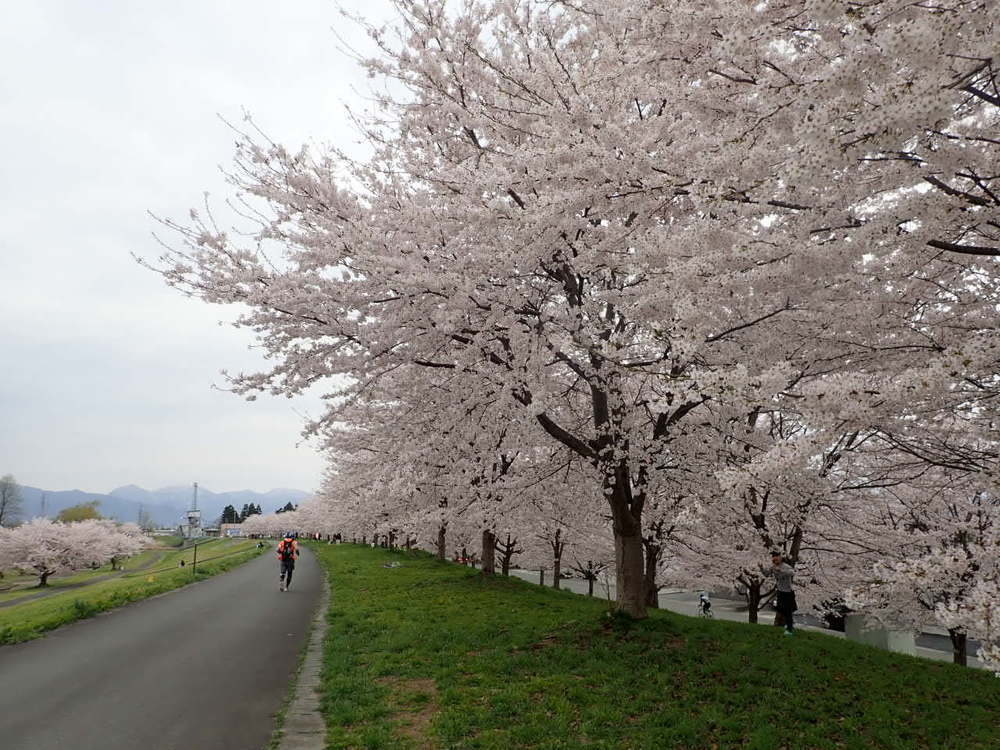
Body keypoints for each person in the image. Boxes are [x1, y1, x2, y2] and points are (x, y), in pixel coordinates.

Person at [761, 551, 797, 635]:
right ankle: (790, 624)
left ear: (780, 558)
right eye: (773, 557)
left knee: (788, 611)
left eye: (776, 557)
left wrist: (780, 570)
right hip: (780, 591)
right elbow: (767, 574)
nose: (774, 559)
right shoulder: (773, 567)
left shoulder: (785, 566)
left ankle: (789, 629)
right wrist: (761, 568)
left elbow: (792, 573)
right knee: (780, 609)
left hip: (788, 592)